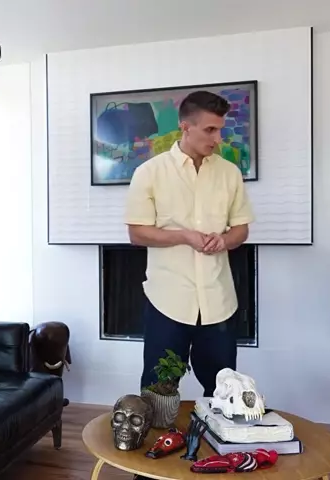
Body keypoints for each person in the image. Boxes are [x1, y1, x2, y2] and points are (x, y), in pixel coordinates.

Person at [124, 90, 255, 402]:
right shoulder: (149, 173)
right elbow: (137, 233)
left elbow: (241, 229)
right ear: (185, 127)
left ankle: (218, 436)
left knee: (226, 395)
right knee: (157, 396)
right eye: (210, 130)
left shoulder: (229, 174)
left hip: (219, 303)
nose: (217, 139)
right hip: (167, 302)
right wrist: (185, 236)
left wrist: (225, 239)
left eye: (220, 129)